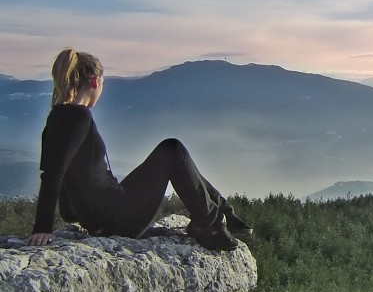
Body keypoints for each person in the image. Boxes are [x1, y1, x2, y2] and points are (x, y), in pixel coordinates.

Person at [27, 47, 251, 251]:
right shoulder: (78, 116)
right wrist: (42, 227)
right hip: (116, 219)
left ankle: (223, 212)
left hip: (107, 215)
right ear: (95, 82)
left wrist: (74, 211)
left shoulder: (57, 117)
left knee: (173, 154)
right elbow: (54, 174)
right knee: (172, 150)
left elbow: (59, 171)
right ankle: (211, 225)